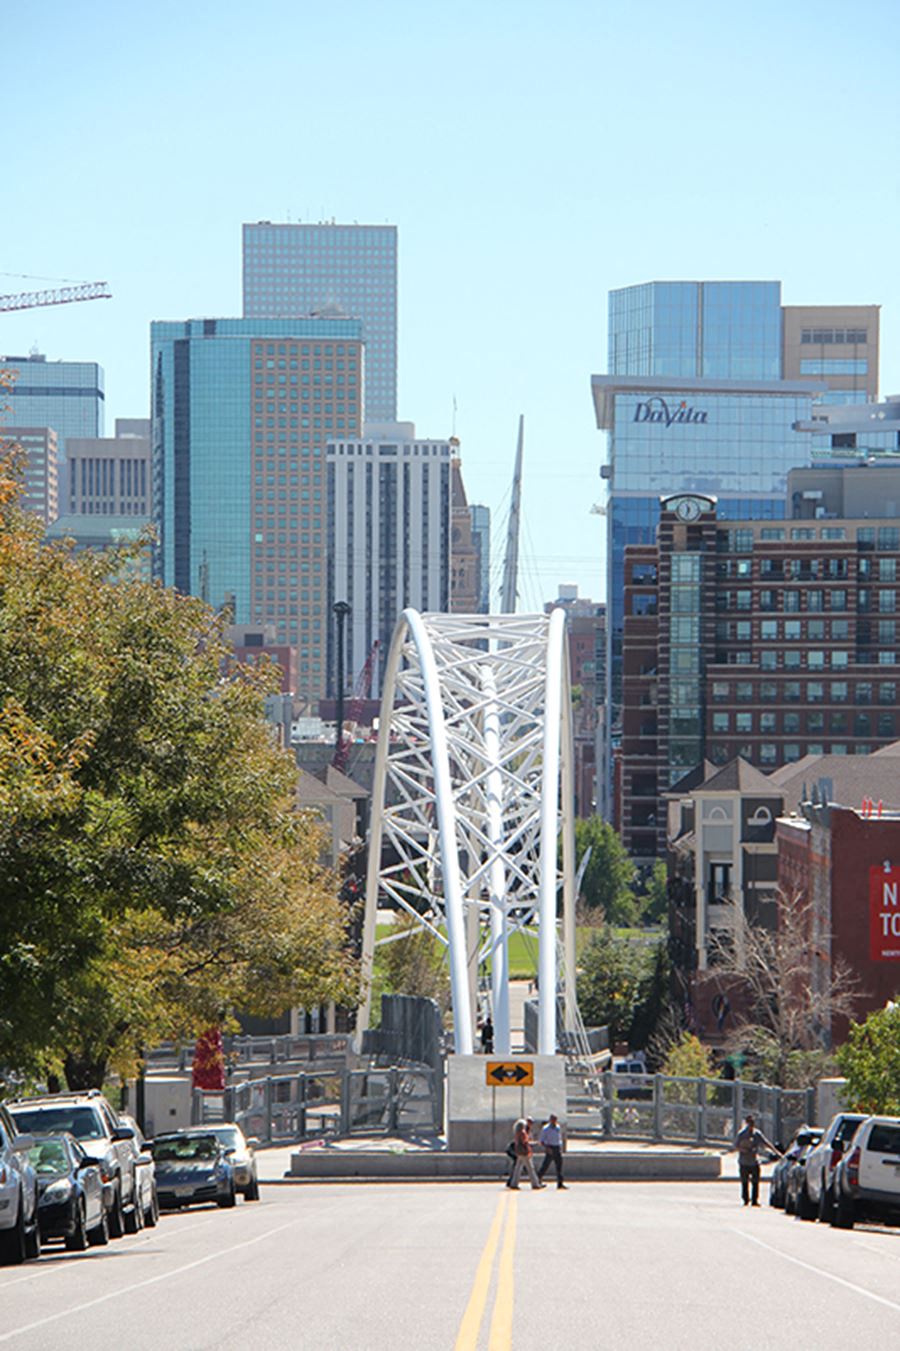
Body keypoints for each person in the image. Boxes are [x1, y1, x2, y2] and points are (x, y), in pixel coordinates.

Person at [733, 1113, 780, 1207]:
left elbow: (765, 1142)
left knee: (755, 1181)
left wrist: (776, 1152)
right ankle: (746, 1199)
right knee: (745, 1181)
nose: (751, 1125)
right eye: (750, 1123)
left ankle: (754, 1200)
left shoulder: (757, 1133)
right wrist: (744, 1149)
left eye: (753, 1123)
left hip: (754, 1161)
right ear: (747, 1123)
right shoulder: (742, 1134)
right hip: (744, 1161)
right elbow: (736, 1146)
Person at [508, 1116, 545, 1190]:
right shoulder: (523, 1133)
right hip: (525, 1152)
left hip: (519, 1152)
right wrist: (536, 1143)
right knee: (530, 1169)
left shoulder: (517, 1133)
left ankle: (514, 1184)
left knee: (518, 1168)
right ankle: (535, 1184)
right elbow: (526, 1142)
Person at [538, 1113, 567, 1189]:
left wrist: (560, 1146)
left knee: (559, 1166)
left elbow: (559, 1137)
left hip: (557, 1147)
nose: (554, 1121)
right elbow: (542, 1141)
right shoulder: (546, 1129)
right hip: (550, 1147)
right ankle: (538, 1179)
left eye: (555, 1120)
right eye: (553, 1119)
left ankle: (560, 1183)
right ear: (550, 1120)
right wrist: (547, 1148)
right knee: (545, 1165)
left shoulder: (557, 1127)